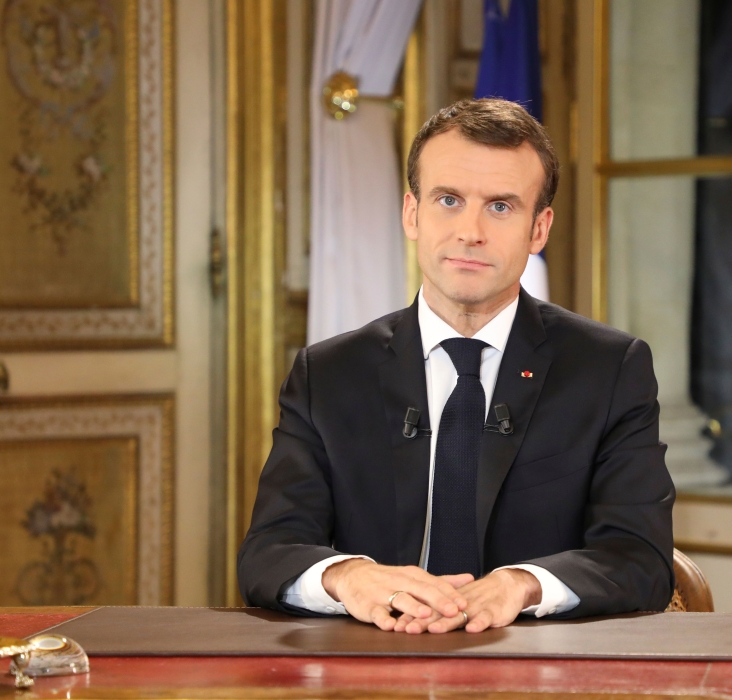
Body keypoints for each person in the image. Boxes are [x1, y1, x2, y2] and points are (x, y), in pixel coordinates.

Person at [238, 98, 675, 634]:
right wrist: (348, 577)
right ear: (412, 213)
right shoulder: (328, 373)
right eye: (448, 200)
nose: (470, 231)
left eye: (500, 207)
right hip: (375, 662)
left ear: (539, 229)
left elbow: (640, 559)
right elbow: (267, 553)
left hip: (536, 666)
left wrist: (524, 583)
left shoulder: (609, 370)